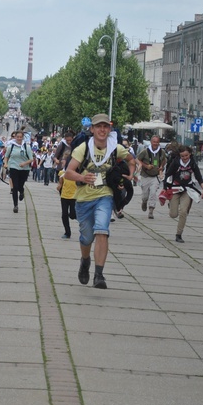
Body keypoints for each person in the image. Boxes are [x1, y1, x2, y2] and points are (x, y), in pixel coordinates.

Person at [64, 114, 134, 289]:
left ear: (109, 129)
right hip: (84, 198)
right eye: (99, 126)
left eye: (106, 126)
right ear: (92, 129)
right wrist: (82, 177)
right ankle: (85, 261)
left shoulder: (115, 148)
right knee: (86, 238)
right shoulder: (83, 149)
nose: (102, 130)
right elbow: (68, 173)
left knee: (102, 230)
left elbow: (132, 160)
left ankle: (99, 274)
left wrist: (130, 175)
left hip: (105, 196)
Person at [164, 145, 203, 243]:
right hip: (175, 188)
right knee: (173, 214)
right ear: (179, 156)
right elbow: (168, 174)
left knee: (183, 212)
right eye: (182, 156)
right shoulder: (175, 162)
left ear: (190, 154)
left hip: (187, 189)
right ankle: (171, 205)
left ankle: (179, 234)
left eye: (186, 155)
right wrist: (165, 188)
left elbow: (199, 177)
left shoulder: (192, 163)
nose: (184, 158)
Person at [136, 135, 166, 219]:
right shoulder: (145, 151)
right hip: (145, 175)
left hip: (155, 176)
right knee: (145, 195)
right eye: (154, 142)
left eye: (157, 142)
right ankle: (144, 201)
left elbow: (164, 160)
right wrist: (145, 166)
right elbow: (137, 159)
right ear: (151, 142)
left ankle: (151, 210)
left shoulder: (161, 152)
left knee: (153, 193)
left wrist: (161, 167)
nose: (155, 143)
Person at [4, 131, 34, 213]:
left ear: (23, 137)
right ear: (15, 137)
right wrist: (6, 164)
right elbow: (6, 157)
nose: (19, 138)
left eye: (21, 137)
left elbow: (31, 159)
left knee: (20, 185)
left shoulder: (26, 147)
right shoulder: (11, 146)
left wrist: (24, 163)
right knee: (15, 187)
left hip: (24, 169)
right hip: (14, 167)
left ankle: (22, 191)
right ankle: (15, 205)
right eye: (18, 137)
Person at [57, 167, 77, 239]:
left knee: (73, 214)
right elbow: (60, 182)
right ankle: (67, 232)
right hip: (64, 196)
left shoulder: (77, 174)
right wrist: (59, 186)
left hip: (74, 197)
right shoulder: (62, 173)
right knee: (64, 214)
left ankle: (75, 216)